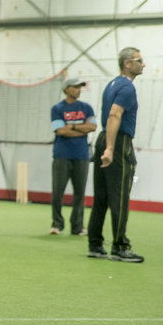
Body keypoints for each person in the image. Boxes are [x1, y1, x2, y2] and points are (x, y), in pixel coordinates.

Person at [87, 48, 146, 263]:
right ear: (127, 64)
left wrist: (105, 144)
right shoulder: (127, 87)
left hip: (104, 137)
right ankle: (120, 246)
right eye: (139, 61)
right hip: (118, 142)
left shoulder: (112, 84)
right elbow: (115, 114)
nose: (143, 64)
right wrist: (111, 149)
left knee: (101, 197)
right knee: (119, 197)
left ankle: (95, 244)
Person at [49, 78, 96, 235]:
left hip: (82, 156)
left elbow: (92, 127)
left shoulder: (87, 108)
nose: (78, 90)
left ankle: (77, 227)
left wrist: (73, 126)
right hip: (62, 155)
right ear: (66, 89)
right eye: (75, 87)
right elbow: (60, 131)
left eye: (79, 87)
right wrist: (81, 130)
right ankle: (57, 224)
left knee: (79, 193)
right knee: (58, 192)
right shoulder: (57, 108)